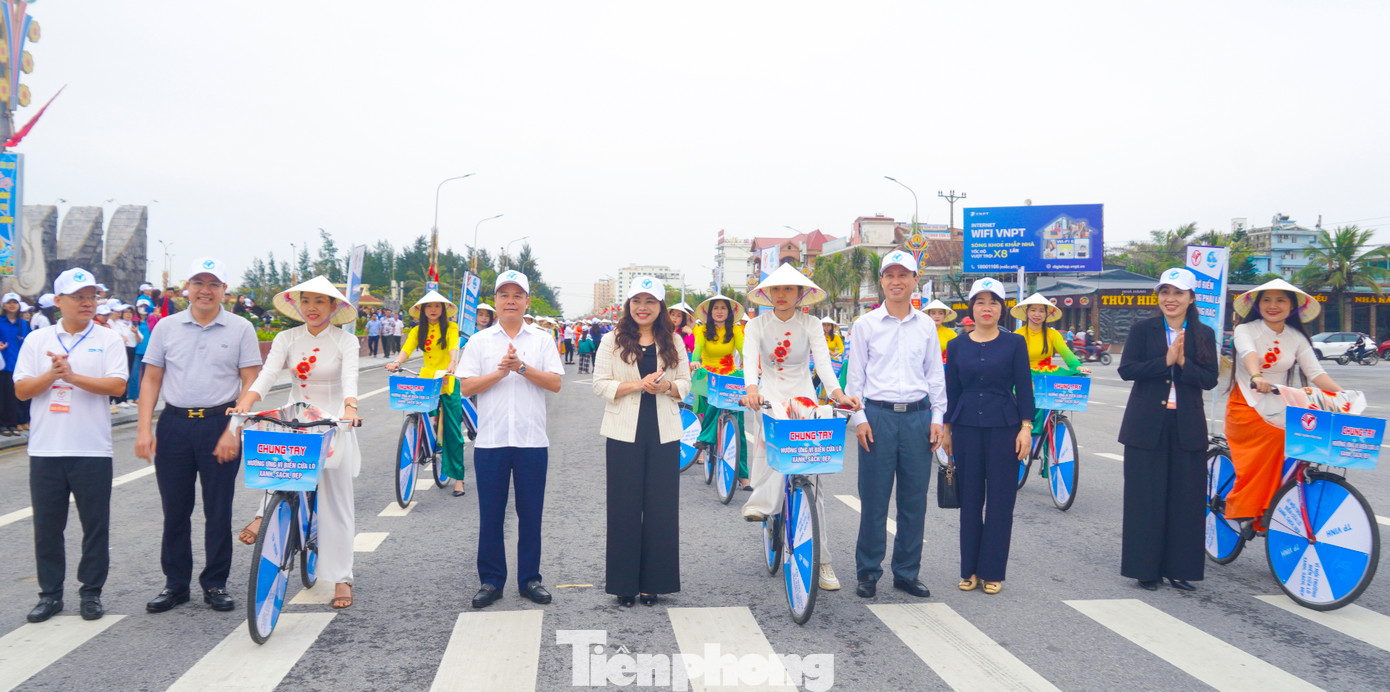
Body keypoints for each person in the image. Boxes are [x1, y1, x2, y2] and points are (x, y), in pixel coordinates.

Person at [136, 258, 261, 614]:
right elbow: (151, 379)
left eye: (213, 284)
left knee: (217, 510)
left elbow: (251, 382)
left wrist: (233, 429)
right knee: (175, 511)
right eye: (198, 282)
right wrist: (144, 428)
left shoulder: (240, 328)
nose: (205, 290)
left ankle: (215, 583)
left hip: (219, 424)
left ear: (224, 290)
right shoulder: (166, 327)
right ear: (186, 288)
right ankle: (175, 585)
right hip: (174, 425)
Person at [233, 276, 363, 609]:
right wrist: (247, 401)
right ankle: (266, 511)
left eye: (320, 302)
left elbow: (350, 377)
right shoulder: (286, 338)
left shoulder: (345, 342)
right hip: (297, 419)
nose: (312, 308)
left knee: (337, 503)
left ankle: (341, 577)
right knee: (276, 459)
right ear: (298, 304)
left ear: (333, 307)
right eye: (306, 301)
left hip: (333, 425)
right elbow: (267, 373)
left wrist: (350, 407)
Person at [15, 268, 128, 622]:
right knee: (47, 528)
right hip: (46, 449)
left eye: (92, 296)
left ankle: (91, 593)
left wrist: (72, 376)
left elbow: (117, 387)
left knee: (95, 526)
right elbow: (21, 390)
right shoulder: (38, 340)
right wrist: (51, 375)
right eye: (79, 296)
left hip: (92, 450)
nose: (87, 303)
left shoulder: (108, 339)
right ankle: (50, 594)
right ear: (59, 301)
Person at [739, 263, 856, 591]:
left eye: (788, 289)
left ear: (800, 294)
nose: (781, 294)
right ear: (767, 293)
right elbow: (750, 360)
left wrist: (837, 394)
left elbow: (823, 363)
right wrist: (751, 389)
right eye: (775, 289)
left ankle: (823, 560)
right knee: (772, 459)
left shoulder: (812, 324)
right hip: (769, 397)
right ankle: (764, 506)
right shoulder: (756, 325)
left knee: (811, 483)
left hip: (804, 401)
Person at [456, 270, 564, 609]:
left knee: (531, 514)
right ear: (496, 301)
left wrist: (521, 368)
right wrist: (501, 372)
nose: (511, 301)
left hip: (532, 441)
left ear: (527, 301)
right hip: (491, 442)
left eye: (518, 295)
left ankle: (530, 579)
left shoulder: (542, 340)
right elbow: (467, 387)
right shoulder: (480, 341)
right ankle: (491, 580)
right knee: (491, 515)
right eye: (504, 295)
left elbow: (555, 383)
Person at [846, 250, 945, 599]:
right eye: (890, 275)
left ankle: (906, 572)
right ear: (882, 281)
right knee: (874, 499)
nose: (897, 281)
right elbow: (854, 380)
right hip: (878, 418)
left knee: (914, 500)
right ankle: (868, 572)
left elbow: (935, 376)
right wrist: (859, 419)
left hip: (918, 418)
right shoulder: (865, 325)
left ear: (915, 280)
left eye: (904, 275)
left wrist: (937, 419)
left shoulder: (927, 325)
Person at [1117, 268, 1220, 591]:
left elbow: (1210, 379)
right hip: (1146, 424)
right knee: (1144, 498)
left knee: (1186, 500)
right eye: (1165, 292)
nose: (1170, 299)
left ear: (1191, 298)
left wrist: (1183, 363)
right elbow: (1127, 369)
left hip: (1187, 425)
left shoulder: (1204, 334)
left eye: (1178, 293)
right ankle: (1144, 568)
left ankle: (1180, 568)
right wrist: (1165, 360)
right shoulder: (1143, 329)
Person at [592, 276, 691, 606]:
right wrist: (638, 385)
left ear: (660, 306)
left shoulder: (673, 342)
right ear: (628, 305)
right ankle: (624, 583)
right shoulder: (612, 341)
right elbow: (600, 384)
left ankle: (654, 584)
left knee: (662, 509)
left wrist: (665, 388)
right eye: (637, 301)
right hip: (623, 431)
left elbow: (685, 385)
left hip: (663, 431)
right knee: (624, 507)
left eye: (650, 301)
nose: (642, 307)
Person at [1224, 278, 1344, 527]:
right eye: (1266, 299)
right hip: (1247, 405)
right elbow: (1249, 354)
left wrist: (1343, 396)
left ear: (1293, 306)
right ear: (1257, 305)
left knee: (1309, 439)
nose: (1273, 305)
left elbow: (1316, 374)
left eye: (1281, 299)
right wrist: (1256, 376)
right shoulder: (1246, 330)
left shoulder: (1296, 337)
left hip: (1281, 406)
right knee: (1280, 439)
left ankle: (1279, 503)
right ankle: (1249, 507)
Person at [942, 277, 1033, 595]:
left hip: (1004, 430)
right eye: (980, 301)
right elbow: (951, 391)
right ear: (972, 308)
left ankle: (992, 571)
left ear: (1002, 308)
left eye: (993, 302)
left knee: (1000, 502)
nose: (987, 307)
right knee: (969, 502)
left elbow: (1024, 387)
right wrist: (947, 430)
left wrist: (1026, 428)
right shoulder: (956, 345)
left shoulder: (1015, 343)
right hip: (965, 429)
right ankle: (969, 570)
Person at [386, 291, 467, 496]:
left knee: (452, 430)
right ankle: (429, 436)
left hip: (448, 379)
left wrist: (452, 363)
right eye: (428, 306)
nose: (433, 310)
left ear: (443, 310)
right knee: (421, 412)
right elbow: (407, 348)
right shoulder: (418, 330)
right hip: (428, 379)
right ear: (422, 310)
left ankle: (459, 479)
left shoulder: (451, 327)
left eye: (437, 306)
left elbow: (453, 347)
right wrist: (397, 362)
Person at [1012, 293, 1090, 478]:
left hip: (1046, 373)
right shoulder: (1017, 335)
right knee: (1026, 401)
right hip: (1024, 376)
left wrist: (1078, 366)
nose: (1037, 314)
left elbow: (1066, 354)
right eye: (1033, 310)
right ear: (1026, 312)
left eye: (1041, 310)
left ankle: (1048, 433)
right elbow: (1010, 361)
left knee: (1070, 379)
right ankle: (1028, 434)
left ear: (1047, 314)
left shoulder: (1053, 334)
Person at [691, 294, 748, 489]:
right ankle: (707, 438)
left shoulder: (736, 330)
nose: (719, 311)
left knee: (739, 423)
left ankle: (743, 475)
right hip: (707, 375)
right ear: (709, 312)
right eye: (716, 308)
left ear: (729, 312)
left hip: (731, 374)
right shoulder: (701, 329)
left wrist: (753, 367)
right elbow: (697, 348)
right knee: (715, 402)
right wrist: (695, 360)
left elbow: (743, 351)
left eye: (723, 308)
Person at [0, 291, 31, 436]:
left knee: (14, 396)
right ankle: (3, 424)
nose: (12, 305)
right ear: (4, 305)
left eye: (15, 303)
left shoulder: (23, 324)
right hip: (3, 364)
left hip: (18, 364)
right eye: (9, 303)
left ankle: (13, 423)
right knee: (3, 396)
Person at [110, 306, 143, 407]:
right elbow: (117, 337)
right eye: (126, 312)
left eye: (130, 313)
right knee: (121, 373)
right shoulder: (117, 324)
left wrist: (136, 332)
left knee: (128, 374)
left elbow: (139, 340)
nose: (128, 314)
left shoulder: (132, 325)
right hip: (123, 350)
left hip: (131, 350)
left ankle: (125, 398)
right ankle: (118, 400)